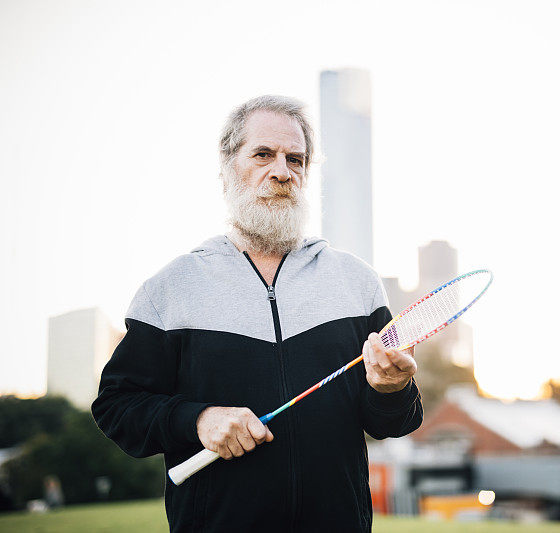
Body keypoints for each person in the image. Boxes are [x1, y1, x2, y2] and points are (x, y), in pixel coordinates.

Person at [91, 95, 423, 532]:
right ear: (230, 167)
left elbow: (393, 422)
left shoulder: (357, 283)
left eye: (296, 160)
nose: (282, 171)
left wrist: (392, 388)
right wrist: (199, 420)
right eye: (263, 154)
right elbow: (118, 406)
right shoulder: (171, 289)